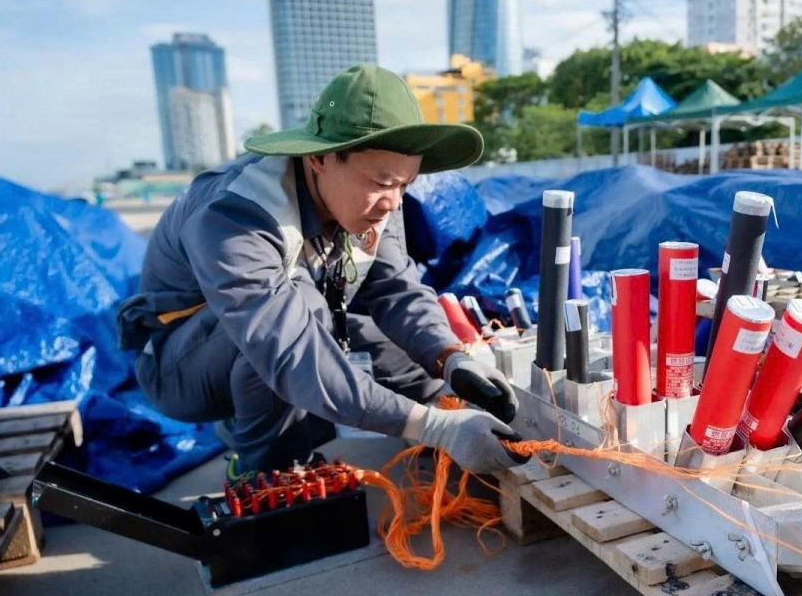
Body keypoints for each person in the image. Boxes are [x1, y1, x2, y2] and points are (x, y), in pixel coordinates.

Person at [117, 64, 526, 476]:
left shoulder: (377, 200)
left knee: (388, 344)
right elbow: (290, 350)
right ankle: (269, 472)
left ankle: (462, 429)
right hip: (180, 365)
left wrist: (451, 358)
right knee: (303, 310)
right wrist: (433, 428)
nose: (393, 203)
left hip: (284, 328)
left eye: (405, 185)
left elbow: (396, 291)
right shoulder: (233, 215)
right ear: (319, 158)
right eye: (382, 182)